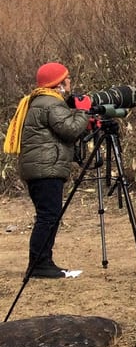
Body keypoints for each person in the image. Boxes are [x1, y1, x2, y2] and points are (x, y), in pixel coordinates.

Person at [4, 62, 90, 278]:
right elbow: (70, 130)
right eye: (67, 78)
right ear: (58, 84)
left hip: (39, 168)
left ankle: (42, 262)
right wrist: (83, 111)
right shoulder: (51, 103)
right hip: (45, 169)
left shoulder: (40, 101)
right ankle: (40, 265)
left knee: (48, 215)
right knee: (48, 216)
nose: (70, 81)